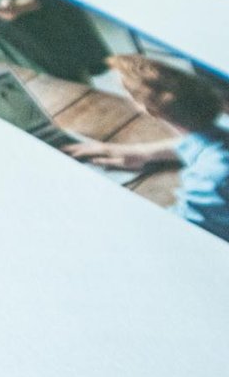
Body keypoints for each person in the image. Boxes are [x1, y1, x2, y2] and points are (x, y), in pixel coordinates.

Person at [64, 56, 229, 243]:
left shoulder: (208, 180)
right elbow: (211, 141)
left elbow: (180, 231)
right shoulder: (220, 124)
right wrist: (143, 152)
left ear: (149, 110)